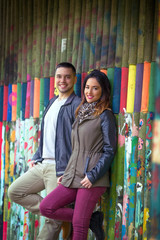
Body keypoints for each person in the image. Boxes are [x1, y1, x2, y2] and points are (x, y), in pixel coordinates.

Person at [39, 69, 117, 240]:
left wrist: (93, 175)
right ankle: (91, 219)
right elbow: (76, 149)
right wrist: (67, 173)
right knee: (47, 207)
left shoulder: (105, 115)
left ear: (103, 90)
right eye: (87, 87)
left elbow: (110, 150)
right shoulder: (81, 112)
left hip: (91, 179)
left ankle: (85, 219)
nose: (89, 92)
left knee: (79, 226)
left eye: (95, 88)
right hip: (74, 175)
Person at [8, 62, 81, 240]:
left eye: (67, 76)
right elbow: (48, 135)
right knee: (15, 192)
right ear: (54, 79)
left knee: (51, 221)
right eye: (59, 76)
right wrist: (37, 156)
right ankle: (62, 212)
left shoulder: (77, 104)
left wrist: (70, 170)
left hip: (59, 169)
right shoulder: (52, 102)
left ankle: (57, 213)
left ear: (74, 79)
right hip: (42, 164)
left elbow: (80, 143)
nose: (62, 80)